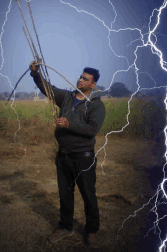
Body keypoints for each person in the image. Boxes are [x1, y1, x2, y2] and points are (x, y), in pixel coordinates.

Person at [29, 61, 105, 248]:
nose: (80, 79)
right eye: (81, 76)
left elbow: (92, 129)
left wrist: (69, 124)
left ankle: (92, 231)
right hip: (63, 156)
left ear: (92, 85)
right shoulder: (66, 97)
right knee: (65, 194)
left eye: (85, 79)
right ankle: (65, 226)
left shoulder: (96, 105)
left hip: (84, 157)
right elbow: (47, 88)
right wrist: (35, 74)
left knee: (88, 195)